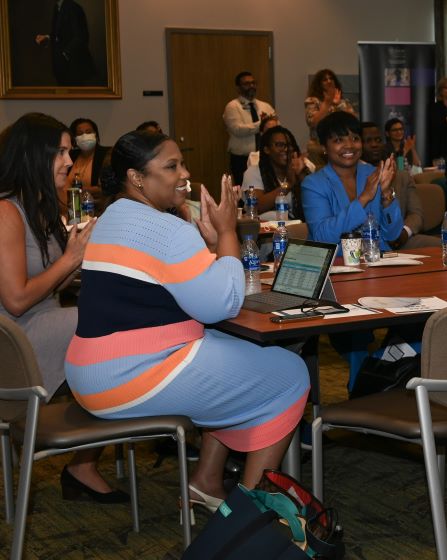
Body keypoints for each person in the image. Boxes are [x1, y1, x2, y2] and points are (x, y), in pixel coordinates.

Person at [65, 130, 310, 510]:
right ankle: (247, 516)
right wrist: (227, 232)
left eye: (183, 163)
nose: (185, 173)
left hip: (88, 372)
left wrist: (211, 246)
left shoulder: (111, 216)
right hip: (134, 376)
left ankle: (207, 481)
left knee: (241, 359)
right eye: (171, 166)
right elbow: (221, 305)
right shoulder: (167, 228)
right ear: (137, 178)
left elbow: (174, 285)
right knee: (289, 374)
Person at [0, 112, 123, 504]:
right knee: (113, 331)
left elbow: (54, 281)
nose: (70, 162)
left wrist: (86, 257)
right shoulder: (6, 212)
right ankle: (84, 463)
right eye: (61, 152)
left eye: (70, 151)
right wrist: (71, 260)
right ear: (34, 156)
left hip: (41, 321)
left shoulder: (43, 206)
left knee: (116, 323)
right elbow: (16, 299)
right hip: (14, 343)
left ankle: (85, 459)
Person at [301, 112, 401, 248]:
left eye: (355, 138)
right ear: (324, 147)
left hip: (376, 261)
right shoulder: (313, 184)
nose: (349, 145)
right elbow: (322, 236)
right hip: (336, 264)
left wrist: (386, 194)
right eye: (338, 140)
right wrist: (364, 198)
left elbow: (392, 234)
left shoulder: (373, 174)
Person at [361, 121, 437, 249]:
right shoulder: (350, 176)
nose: (374, 145)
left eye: (378, 140)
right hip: (365, 242)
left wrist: (404, 233)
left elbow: (416, 214)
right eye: (368, 141)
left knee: (441, 246)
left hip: (399, 239)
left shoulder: (401, 176)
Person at [242, 126, 311, 219]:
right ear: (267, 149)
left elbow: (315, 202)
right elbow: (255, 207)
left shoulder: (300, 168)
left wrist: (301, 174)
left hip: (298, 228)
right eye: (280, 145)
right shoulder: (253, 172)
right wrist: (288, 185)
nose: (286, 149)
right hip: (267, 231)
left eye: (289, 145)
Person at [223, 71, 275, 183]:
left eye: (253, 83)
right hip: (241, 159)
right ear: (238, 88)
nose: (251, 86)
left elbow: (275, 127)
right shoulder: (232, 107)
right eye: (246, 84)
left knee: (265, 187)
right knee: (244, 193)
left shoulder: (265, 106)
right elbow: (238, 130)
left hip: (265, 156)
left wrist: (267, 124)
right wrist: (262, 124)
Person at [34, 0, 96, 86]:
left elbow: (81, 37)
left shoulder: (73, 8)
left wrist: (64, 54)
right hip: (61, 67)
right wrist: (47, 37)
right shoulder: (57, 7)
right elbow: (60, 34)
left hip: (74, 67)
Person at [304, 69, 356, 166]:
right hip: (318, 145)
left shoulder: (342, 101)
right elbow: (313, 122)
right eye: (325, 79)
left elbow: (353, 121)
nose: (329, 81)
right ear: (319, 84)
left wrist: (339, 104)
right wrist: (327, 103)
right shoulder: (312, 100)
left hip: (340, 143)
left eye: (331, 78)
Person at [67, 117, 110, 209]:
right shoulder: (70, 155)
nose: (84, 136)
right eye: (79, 133)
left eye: (88, 132)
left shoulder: (107, 155)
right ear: (74, 139)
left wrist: (78, 191)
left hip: (98, 209)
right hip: (71, 208)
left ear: (96, 135)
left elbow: (107, 188)